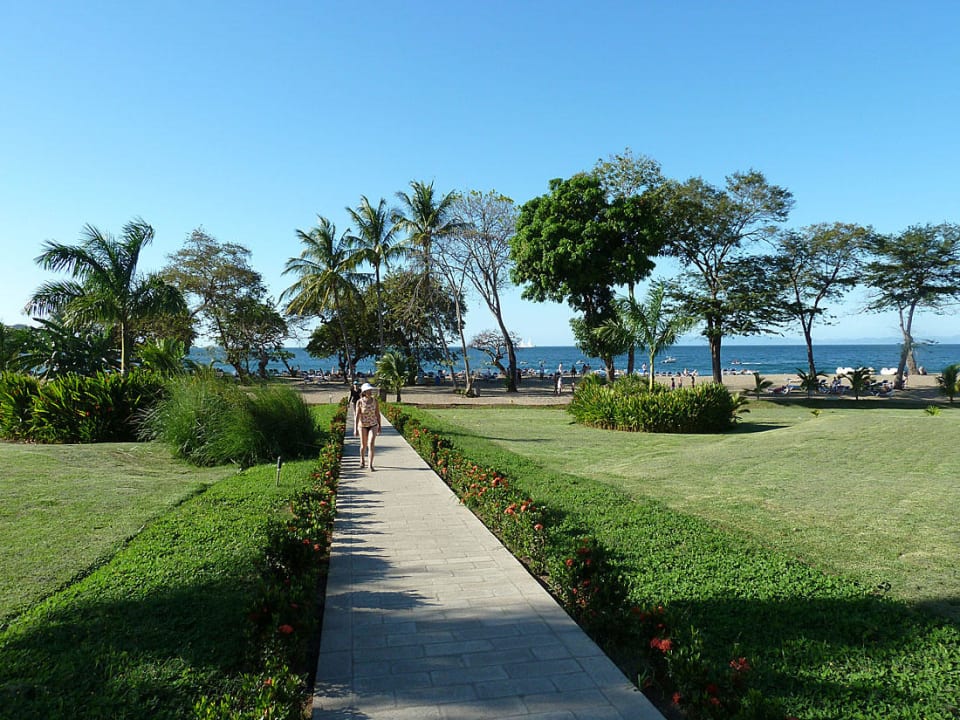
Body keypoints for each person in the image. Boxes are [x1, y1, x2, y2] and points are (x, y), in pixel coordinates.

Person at [354, 382, 381, 470]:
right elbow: (357, 415)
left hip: (373, 425)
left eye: (370, 390)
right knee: (363, 445)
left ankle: (370, 464)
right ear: (364, 392)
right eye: (367, 391)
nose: (370, 392)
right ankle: (362, 460)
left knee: (371, 443)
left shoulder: (375, 401)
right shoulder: (360, 402)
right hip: (362, 425)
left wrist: (380, 426)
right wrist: (355, 429)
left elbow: (377, 414)